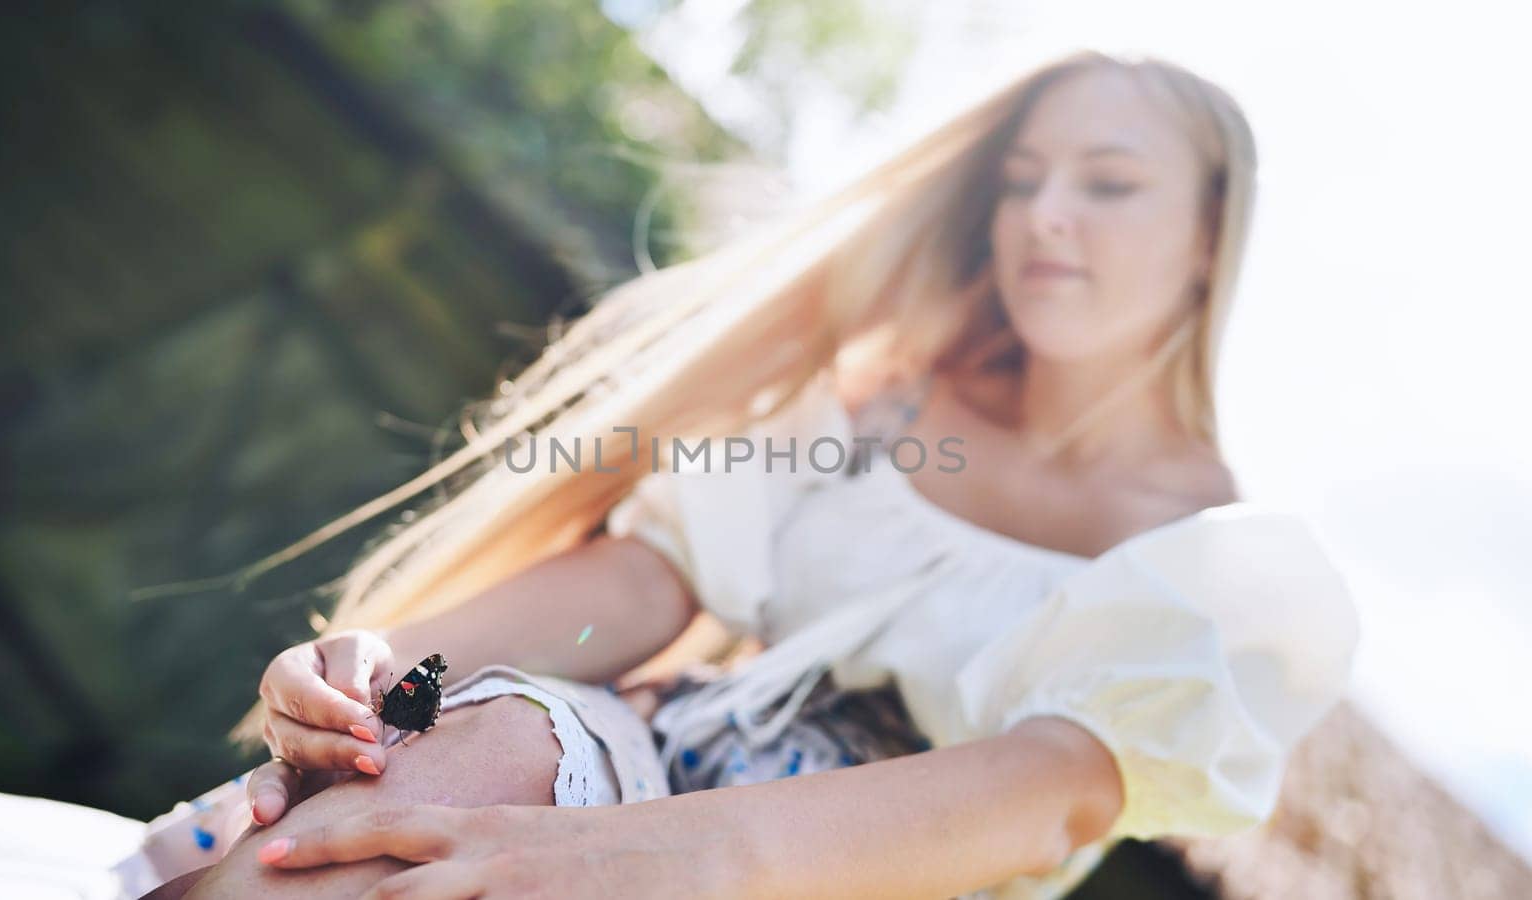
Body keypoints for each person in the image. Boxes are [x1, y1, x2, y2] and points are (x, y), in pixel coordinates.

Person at [121, 48, 1359, 899]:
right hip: (658, 748)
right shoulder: (886, 407)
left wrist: (650, 859)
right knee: (461, 769)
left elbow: (1040, 804)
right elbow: (647, 586)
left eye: (1107, 183)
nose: (1042, 217)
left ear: (1208, 235)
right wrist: (389, 678)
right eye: (1021, 182)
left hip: (818, 873)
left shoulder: (1221, 575)